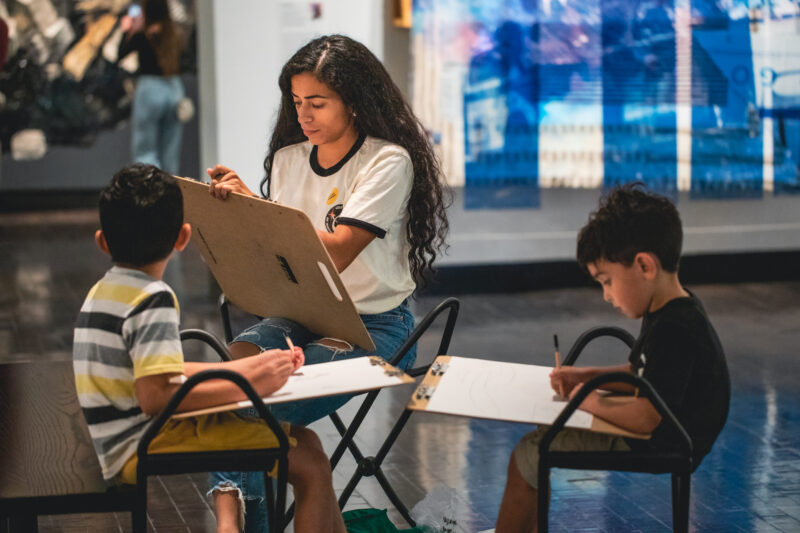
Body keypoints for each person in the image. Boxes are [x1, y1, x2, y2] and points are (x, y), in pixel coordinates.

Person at [205, 34, 450, 530]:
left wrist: (263, 216)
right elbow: (280, 251)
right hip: (298, 315)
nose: (304, 115)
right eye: (296, 103)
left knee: (254, 408)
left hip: (373, 326)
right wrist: (244, 213)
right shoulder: (288, 158)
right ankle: (301, 475)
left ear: (354, 102)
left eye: (317, 103)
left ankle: (237, 525)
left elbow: (334, 252)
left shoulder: (387, 160)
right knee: (226, 384)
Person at [73, 164, 345, 533]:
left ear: (102, 241)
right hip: (141, 443)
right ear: (183, 237)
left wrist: (251, 369)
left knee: (307, 442)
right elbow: (155, 396)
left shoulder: (104, 291)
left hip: (117, 439)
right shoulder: (153, 298)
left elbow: (158, 373)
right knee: (310, 464)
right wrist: (251, 389)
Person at [495, 183, 730, 532]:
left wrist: (582, 399)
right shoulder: (670, 308)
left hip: (667, 441)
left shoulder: (676, 327)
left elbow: (646, 417)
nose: (606, 295)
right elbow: (642, 374)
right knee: (540, 441)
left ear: (644, 266)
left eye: (606, 281)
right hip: (667, 430)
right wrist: (586, 375)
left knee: (529, 454)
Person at [118, 0, 185, 175]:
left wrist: (128, 29)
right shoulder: (174, 34)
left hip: (150, 89)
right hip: (174, 88)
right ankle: (172, 189)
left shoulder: (143, 35)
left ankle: (148, 190)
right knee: (171, 150)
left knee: (145, 148)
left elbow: (121, 53)